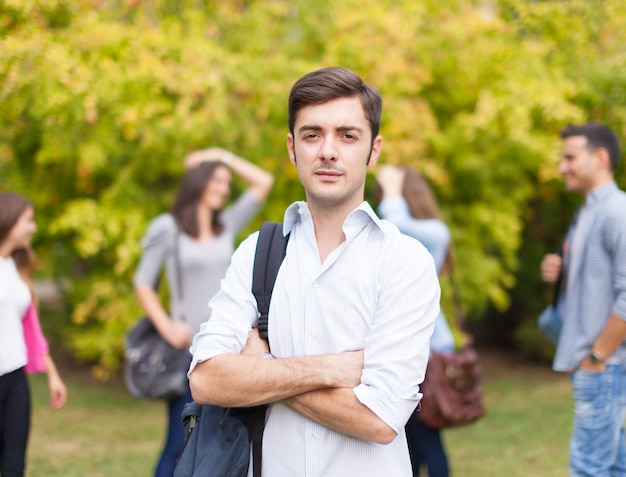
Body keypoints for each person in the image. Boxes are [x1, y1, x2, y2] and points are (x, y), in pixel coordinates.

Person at [188, 66, 441, 476]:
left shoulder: (404, 261)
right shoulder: (257, 252)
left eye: (347, 135)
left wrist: (262, 365)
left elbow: (379, 420)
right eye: (312, 135)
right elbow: (206, 381)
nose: (328, 151)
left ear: (374, 150)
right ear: (292, 148)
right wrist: (329, 369)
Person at [133, 147, 274, 477]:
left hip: (228, 349)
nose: (224, 188)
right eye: (216, 180)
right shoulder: (167, 228)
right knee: (179, 440)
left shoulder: (226, 224)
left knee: (220, 438)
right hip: (187, 352)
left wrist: (220, 156)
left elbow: (263, 182)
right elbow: (142, 283)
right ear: (198, 181)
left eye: (226, 182)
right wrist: (167, 326)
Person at [540, 122, 626, 477]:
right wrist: (559, 269)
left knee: (588, 470)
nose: (562, 167)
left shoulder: (616, 211)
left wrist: (596, 357)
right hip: (603, 366)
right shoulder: (587, 211)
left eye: (570, 157)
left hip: (606, 365)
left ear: (601, 157)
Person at [375, 164, 454, 477]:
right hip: (408, 345)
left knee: (424, 434)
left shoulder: (435, 231)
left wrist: (393, 190)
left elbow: (392, 223)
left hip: (427, 349)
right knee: (410, 437)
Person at [0, 192, 68, 477]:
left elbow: (30, 329)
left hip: (15, 378)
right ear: (9, 220)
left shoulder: (15, 268)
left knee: (14, 467)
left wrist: (51, 372)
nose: (34, 227)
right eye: (28, 220)